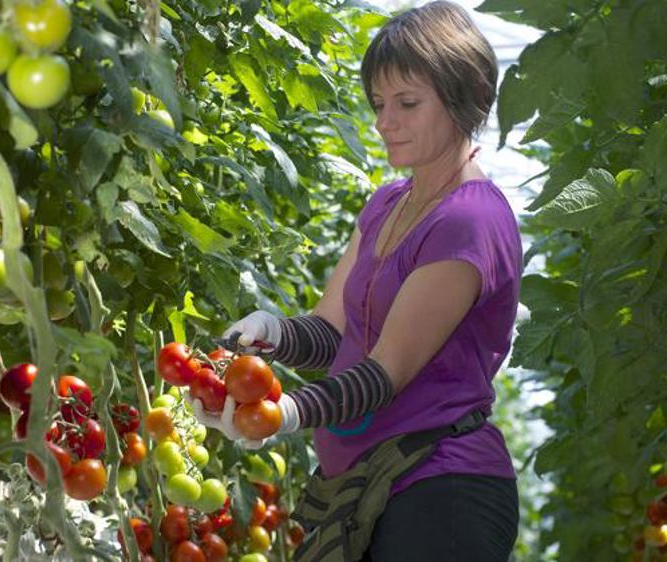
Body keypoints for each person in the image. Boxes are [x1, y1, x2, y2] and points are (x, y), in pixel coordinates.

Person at [189, 2, 521, 560]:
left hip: (442, 491)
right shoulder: (389, 203)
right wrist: (271, 333)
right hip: (365, 486)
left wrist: (282, 412)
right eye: (379, 104)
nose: (385, 121)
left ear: (463, 99)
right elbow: (332, 333)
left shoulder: (469, 219)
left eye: (407, 103)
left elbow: (384, 374)